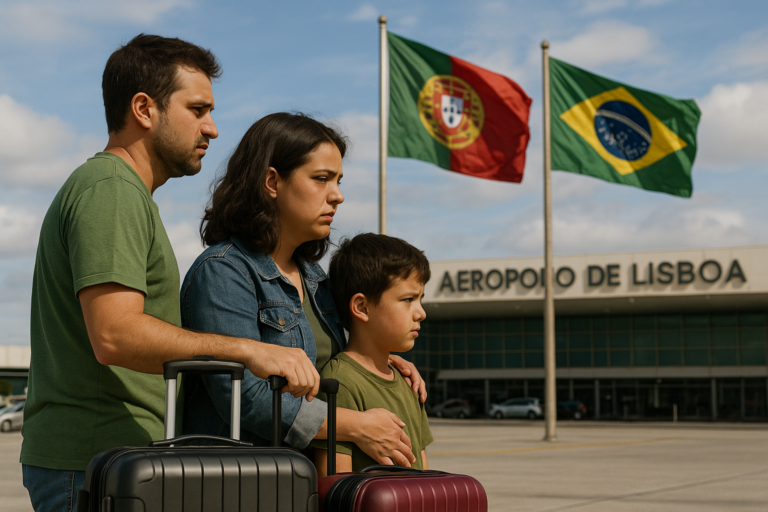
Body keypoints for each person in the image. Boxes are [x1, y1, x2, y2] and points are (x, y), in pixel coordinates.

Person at [22, 35, 319, 512]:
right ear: (144, 108)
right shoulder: (110, 189)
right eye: (198, 109)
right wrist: (247, 350)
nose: (213, 128)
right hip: (92, 462)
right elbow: (115, 335)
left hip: (113, 460)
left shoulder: (126, 193)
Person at [181, 112, 427, 466]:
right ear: (271, 182)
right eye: (321, 179)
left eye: (338, 180)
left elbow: (338, 366)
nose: (337, 196)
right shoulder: (223, 271)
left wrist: (383, 363)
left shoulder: (316, 280)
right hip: (241, 481)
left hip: (305, 481)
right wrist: (356, 425)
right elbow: (246, 398)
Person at [312, 233, 433, 476]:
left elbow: (423, 473)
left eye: (420, 299)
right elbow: (335, 488)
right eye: (408, 299)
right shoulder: (340, 382)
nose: (421, 313)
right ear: (362, 307)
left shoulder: (408, 381)